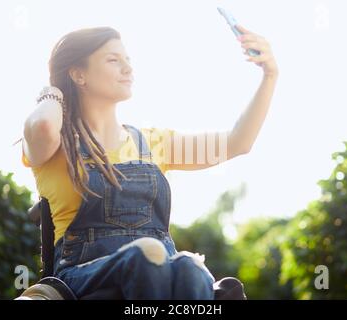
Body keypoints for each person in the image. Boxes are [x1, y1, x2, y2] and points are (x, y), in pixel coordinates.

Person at [17, 25, 278, 299]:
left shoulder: (153, 144)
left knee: (190, 266)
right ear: (78, 74)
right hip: (82, 276)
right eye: (113, 60)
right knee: (147, 254)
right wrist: (54, 92)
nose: (128, 68)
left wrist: (270, 75)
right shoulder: (56, 143)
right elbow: (44, 125)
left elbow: (238, 142)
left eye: (128, 60)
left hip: (166, 274)